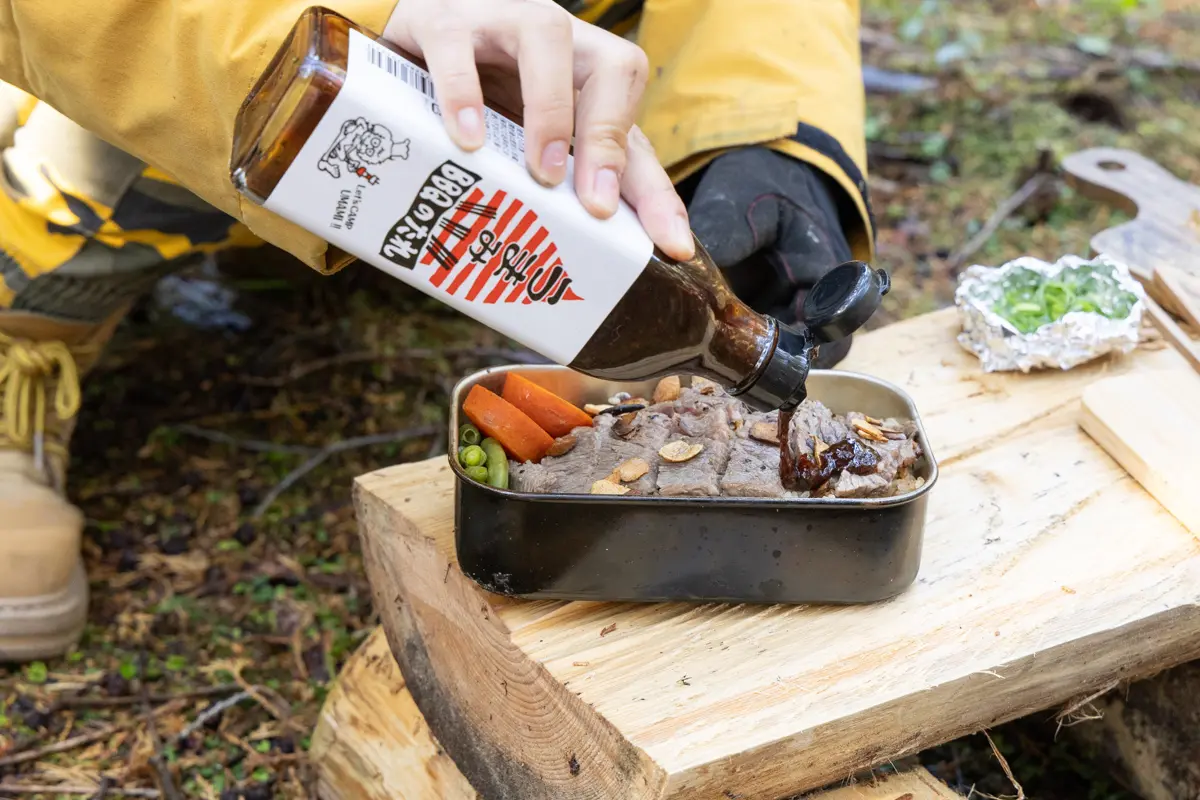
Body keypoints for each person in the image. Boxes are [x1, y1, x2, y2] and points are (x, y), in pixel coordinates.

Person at [0, 0, 873, 661]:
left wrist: (761, 130)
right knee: (263, 124)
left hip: (474, 116)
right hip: (176, 51)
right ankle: (29, 321)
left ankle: (312, 229)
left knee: (405, 196)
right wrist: (371, 19)